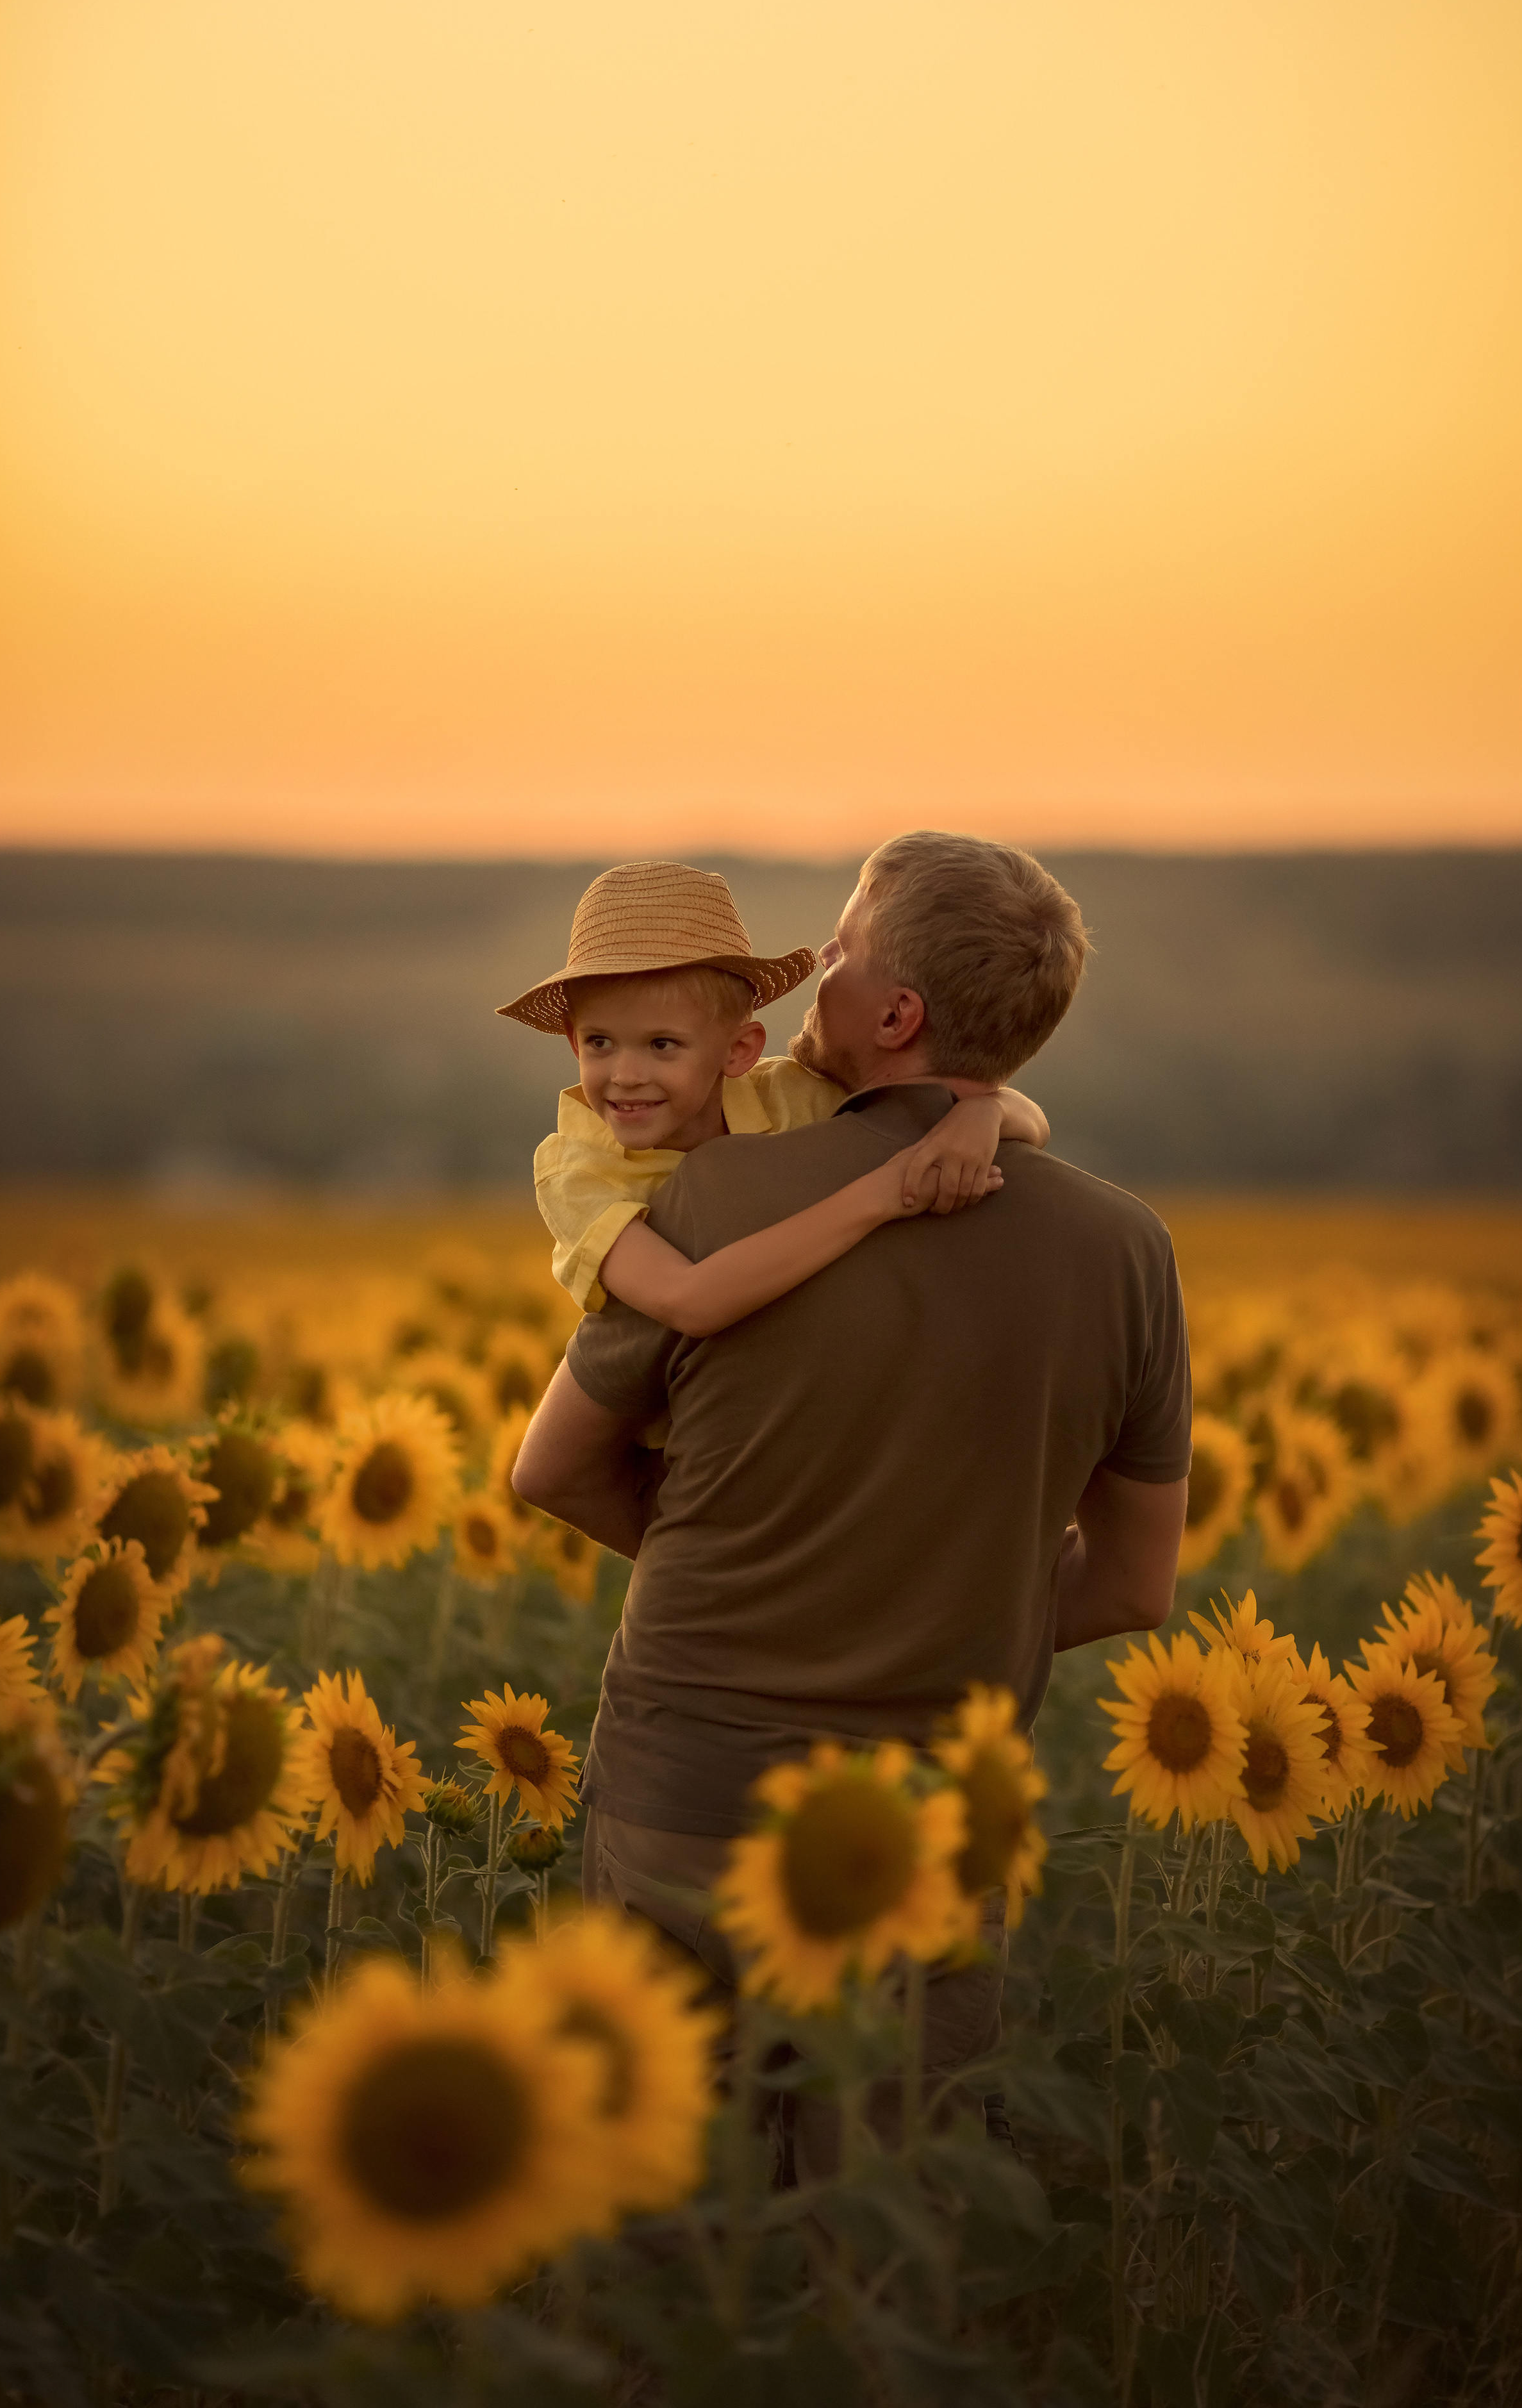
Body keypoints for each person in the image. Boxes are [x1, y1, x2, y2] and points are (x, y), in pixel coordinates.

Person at [515, 829, 1189, 2168]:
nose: (810, 971)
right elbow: (1128, 1586)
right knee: (883, 2242)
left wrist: (756, 1568)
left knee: (658, 2229)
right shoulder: (1125, 1252)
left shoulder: (712, 1196)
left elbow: (550, 1468)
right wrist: (921, 1600)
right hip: (917, 1816)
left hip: (684, 1784)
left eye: (835, 947)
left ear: (893, 1013)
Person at [498, 857, 1052, 1338]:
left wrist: (986, 1112)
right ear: (573, 1043)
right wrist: (883, 1196)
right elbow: (687, 1301)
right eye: (600, 1044)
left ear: (740, 1050)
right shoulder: (578, 1169)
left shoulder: (797, 1097)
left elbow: (1011, 1114)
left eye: (662, 1045)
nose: (625, 1074)